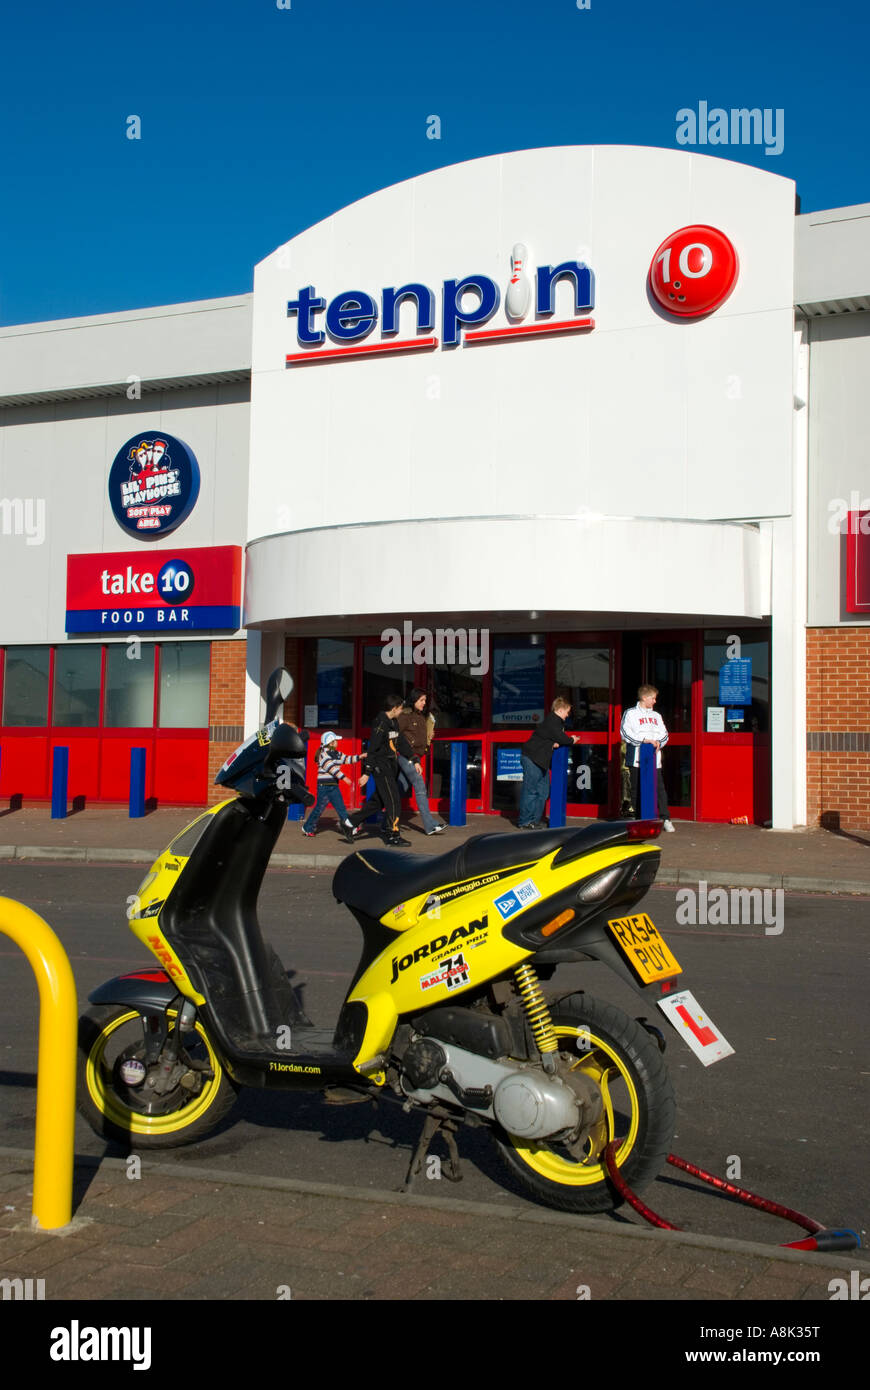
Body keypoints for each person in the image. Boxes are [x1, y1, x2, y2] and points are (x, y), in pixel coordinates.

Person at [345, 693, 415, 846]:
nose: (402, 711)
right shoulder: (380, 724)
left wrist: (413, 759)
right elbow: (372, 750)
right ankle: (392, 835)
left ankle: (349, 823)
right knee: (394, 801)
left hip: (391, 768)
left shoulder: (393, 722)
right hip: (381, 769)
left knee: (378, 803)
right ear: (394, 708)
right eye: (400, 708)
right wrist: (366, 773)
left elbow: (400, 742)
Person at [517, 696, 579, 829]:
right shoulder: (553, 720)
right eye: (567, 712)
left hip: (540, 760)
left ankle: (534, 821)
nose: (567, 715)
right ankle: (525, 821)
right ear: (561, 710)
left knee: (543, 791)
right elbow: (561, 738)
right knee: (531, 791)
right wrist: (572, 739)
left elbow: (552, 738)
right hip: (532, 759)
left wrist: (553, 743)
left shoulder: (554, 722)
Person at [620, 684, 675, 831]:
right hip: (637, 758)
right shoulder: (630, 713)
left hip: (653, 759)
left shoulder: (657, 716)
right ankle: (640, 819)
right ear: (644, 698)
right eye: (653, 698)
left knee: (659, 789)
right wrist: (643, 740)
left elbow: (665, 734)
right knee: (636, 789)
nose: (655, 701)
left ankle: (665, 819)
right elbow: (625, 733)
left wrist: (658, 743)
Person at [397, 688, 446, 835]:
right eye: (421, 700)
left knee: (398, 789)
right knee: (420, 786)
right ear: (414, 701)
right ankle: (430, 825)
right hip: (407, 756)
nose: (424, 703)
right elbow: (396, 734)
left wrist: (428, 736)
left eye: (425, 700)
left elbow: (418, 736)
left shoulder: (420, 716)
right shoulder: (405, 716)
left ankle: (387, 820)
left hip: (416, 756)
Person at [301, 731, 365, 839]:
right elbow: (331, 768)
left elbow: (347, 759)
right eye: (335, 741)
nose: (337, 742)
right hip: (324, 786)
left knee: (341, 809)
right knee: (319, 809)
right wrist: (344, 778)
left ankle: (351, 828)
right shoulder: (323, 755)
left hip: (333, 786)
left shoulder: (337, 753)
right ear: (330, 743)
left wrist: (360, 757)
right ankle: (307, 828)